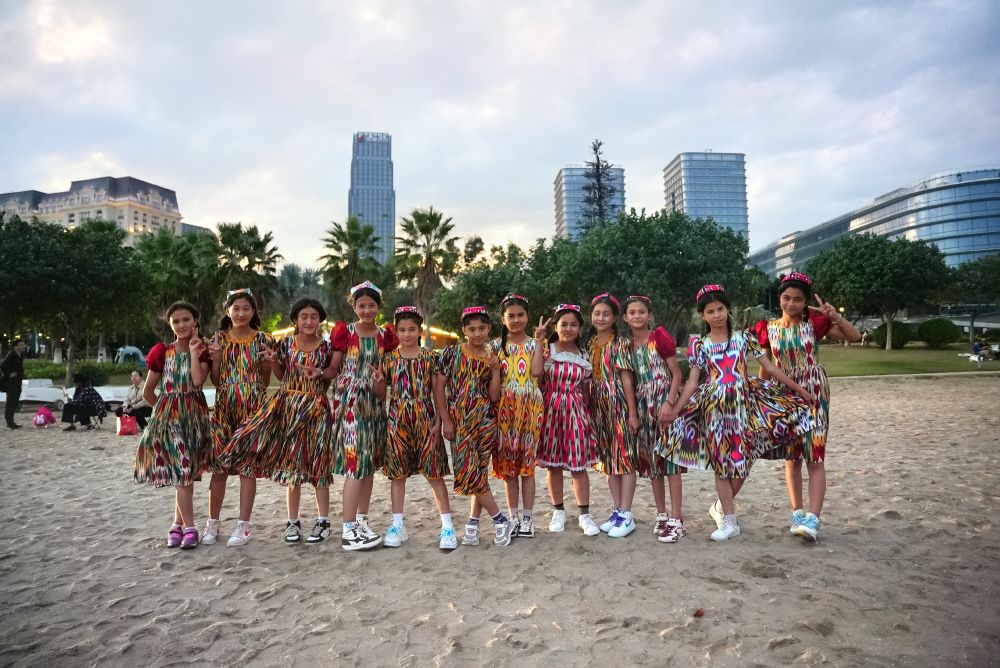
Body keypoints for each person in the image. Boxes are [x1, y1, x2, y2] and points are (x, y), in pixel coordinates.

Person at [658, 284, 814, 542]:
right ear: (703, 315)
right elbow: (693, 382)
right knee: (722, 464)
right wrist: (675, 409)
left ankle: (720, 507)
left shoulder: (744, 338)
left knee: (743, 461)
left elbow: (770, 368)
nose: (716, 315)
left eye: (720, 309)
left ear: (727, 310)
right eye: (710, 311)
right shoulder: (700, 345)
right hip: (715, 408)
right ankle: (730, 521)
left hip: (744, 405)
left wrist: (800, 391)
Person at [218, 298, 338, 546]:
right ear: (295, 320)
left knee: (318, 464)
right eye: (303, 316)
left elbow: (328, 377)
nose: (308, 321)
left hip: (316, 408)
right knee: (291, 464)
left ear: (320, 320)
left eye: (314, 316)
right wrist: (273, 360)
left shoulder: (327, 347)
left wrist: (318, 375)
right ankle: (292, 522)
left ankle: (323, 521)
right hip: (288, 408)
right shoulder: (285, 344)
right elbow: (281, 376)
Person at [754, 273, 862, 541]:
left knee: (815, 455)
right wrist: (761, 395)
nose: (791, 303)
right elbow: (766, 365)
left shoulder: (813, 325)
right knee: (792, 457)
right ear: (779, 298)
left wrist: (835, 316)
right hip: (783, 394)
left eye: (798, 299)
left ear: (805, 303)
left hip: (814, 392)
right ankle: (797, 513)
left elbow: (855, 336)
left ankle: (813, 518)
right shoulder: (768, 328)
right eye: (786, 298)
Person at [374, 306, 456, 550]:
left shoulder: (431, 358)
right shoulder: (388, 359)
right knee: (397, 475)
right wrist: (378, 381)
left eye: (412, 329)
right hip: (397, 419)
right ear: (396, 331)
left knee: (434, 474)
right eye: (402, 330)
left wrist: (439, 421)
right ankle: (397, 525)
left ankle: (447, 526)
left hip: (425, 418)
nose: (407, 334)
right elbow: (381, 394)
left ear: (419, 330)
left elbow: (438, 392)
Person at [133, 301, 213, 550]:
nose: (181, 325)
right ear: (170, 324)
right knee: (182, 472)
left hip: (195, 419)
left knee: (186, 473)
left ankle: (176, 524)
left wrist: (193, 351)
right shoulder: (162, 352)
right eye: (175, 321)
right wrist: (164, 414)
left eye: (186, 319)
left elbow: (197, 381)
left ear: (195, 321)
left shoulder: (203, 351)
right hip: (169, 419)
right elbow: (147, 392)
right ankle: (190, 528)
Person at [435, 306, 514, 547]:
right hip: (460, 422)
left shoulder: (492, 356)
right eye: (472, 329)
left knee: (478, 473)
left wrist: (495, 370)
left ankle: (472, 523)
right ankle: (500, 520)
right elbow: (439, 388)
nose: (477, 333)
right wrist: (446, 420)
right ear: (464, 330)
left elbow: (493, 396)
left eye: (481, 328)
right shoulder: (451, 353)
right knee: (468, 471)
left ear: (489, 328)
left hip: (485, 420)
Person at [202, 288, 274, 547]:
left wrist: (267, 361)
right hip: (224, 409)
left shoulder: (264, 339)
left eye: (246, 308)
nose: (241, 313)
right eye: (236, 308)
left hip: (253, 409)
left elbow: (265, 380)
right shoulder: (218, 339)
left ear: (253, 312)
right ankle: (212, 523)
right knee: (218, 468)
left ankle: (243, 525)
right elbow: (216, 380)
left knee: (247, 468)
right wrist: (216, 359)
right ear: (227, 311)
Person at [330, 281, 398, 551]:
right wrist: (318, 374)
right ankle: (348, 530)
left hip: (374, 404)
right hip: (350, 402)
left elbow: (384, 381)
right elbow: (334, 368)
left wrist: (381, 383)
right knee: (356, 464)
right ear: (354, 306)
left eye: (371, 305)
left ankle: (361, 521)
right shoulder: (345, 332)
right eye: (361, 305)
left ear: (379, 307)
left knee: (367, 464)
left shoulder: (385, 336)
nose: (367, 310)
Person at [531, 304, 601, 537]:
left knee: (578, 465)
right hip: (551, 410)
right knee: (554, 465)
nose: (568, 329)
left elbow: (586, 389)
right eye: (564, 324)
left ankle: (584, 514)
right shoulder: (547, 351)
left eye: (573, 324)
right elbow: (536, 373)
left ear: (580, 328)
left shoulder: (584, 355)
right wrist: (539, 341)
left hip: (576, 411)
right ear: (556, 327)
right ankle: (558, 511)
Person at [624, 295, 687, 543]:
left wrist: (669, 404)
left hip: (663, 400)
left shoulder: (659, 337)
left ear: (649, 315)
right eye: (632, 312)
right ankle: (661, 514)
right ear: (625, 317)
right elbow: (630, 380)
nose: (637, 316)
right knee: (653, 462)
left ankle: (677, 518)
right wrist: (633, 413)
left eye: (642, 311)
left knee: (671, 461)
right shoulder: (627, 346)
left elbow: (676, 374)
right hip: (643, 405)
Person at [484, 293, 544, 537]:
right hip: (504, 410)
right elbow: (493, 391)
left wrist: (539, 342)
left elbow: (537, 372)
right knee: (508, 468)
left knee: (527, 467)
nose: (516, 320)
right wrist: (494, 369)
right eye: (511, 316)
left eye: (521, 315)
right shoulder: (494, 347)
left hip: (531, 407)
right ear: (503, 319)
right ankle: (514, 517)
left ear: (527, 317)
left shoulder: (535, 343)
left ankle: (528, 519)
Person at [587, 293, 641, 539]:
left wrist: (632, 413)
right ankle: (618, 510)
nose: (601, 318)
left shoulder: (620, 343)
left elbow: (626, 379)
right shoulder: (590, 344)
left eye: (606, 314)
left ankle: (627, 513)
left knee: (625, 457)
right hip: (599, 408)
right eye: (597, 313)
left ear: (614, 318)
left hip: (618, 403)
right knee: (609, 460)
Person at [2, 338, 27, 429]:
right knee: (11, 402)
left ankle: (11, 422)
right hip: (11, 383)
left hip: (17, 381)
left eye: (24, 345)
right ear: (15, 347)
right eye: (21, 345)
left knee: (15, 402)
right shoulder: (12, 354)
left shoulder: (20, 355)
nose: (23, 346)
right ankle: (9, 423)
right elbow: (3, 365)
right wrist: (9, 374)